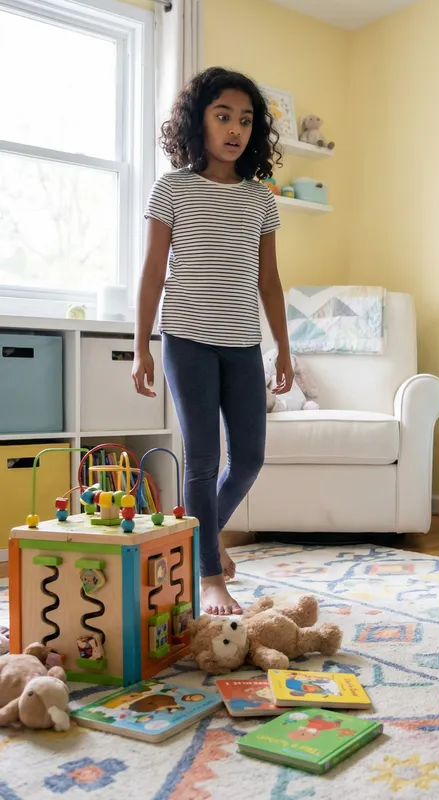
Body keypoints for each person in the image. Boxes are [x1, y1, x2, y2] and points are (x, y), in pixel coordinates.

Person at [132, 67, 293, 616]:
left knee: (248, 458)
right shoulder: (171, 188)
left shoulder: (259, 199)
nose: (235, 129)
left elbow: (268, 281)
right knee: (202, 459)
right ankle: (208, 577)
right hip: (187, 340)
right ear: (197, 119)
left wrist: (284, 351)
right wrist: (140, 346)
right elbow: (153, 273)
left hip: (243, 342)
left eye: (245, 120)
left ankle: (195, 540)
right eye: (223, 115)